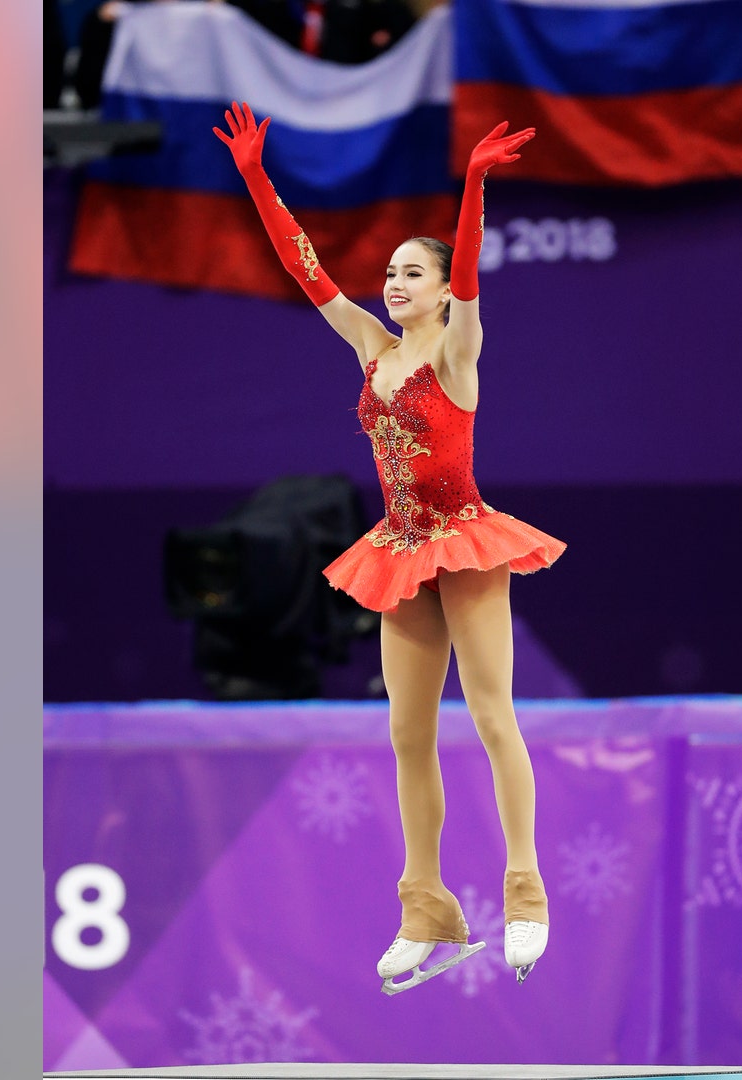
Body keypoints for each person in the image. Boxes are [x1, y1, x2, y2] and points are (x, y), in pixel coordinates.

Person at [214, 102, 566, 993]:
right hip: (403, 546)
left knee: (491, 718)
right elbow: (309, 273)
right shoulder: (373, 349)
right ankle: (427, 909)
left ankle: (524, 892)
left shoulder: (460, 351)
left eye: (414, 271)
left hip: (466, 541)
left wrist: (476, 183)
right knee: (407, 732)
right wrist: (257, 178)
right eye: (393, 271)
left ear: (446, 290)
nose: (393, 281)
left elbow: (475, 271)